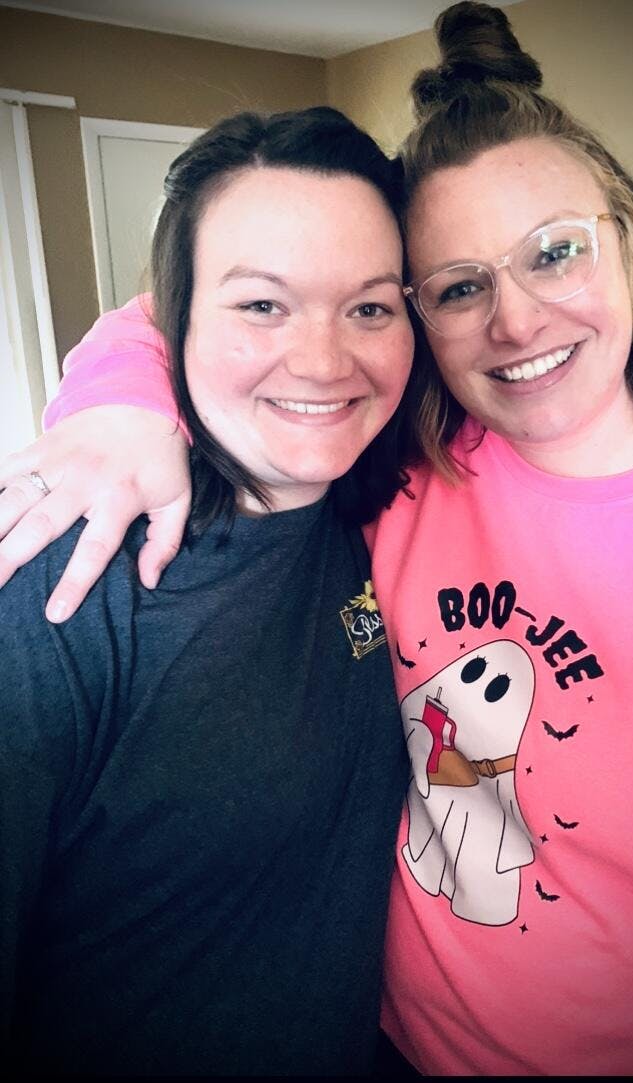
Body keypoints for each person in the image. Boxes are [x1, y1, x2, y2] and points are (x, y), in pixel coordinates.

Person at [2, 2, 633, 1076]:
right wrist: (115, 397)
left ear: (625, 239)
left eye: (555, 252)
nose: (516, 322)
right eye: (459, 288)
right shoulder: (406, 467)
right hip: (393, 1042)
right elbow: (195, 307)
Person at [0, 105, 421, 1075]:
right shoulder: (63, 584)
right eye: (261, 305)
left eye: (369, 308)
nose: (323, 361)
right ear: (175, 322)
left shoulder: (389, 510)